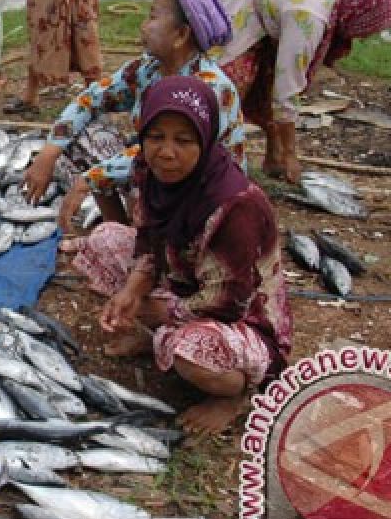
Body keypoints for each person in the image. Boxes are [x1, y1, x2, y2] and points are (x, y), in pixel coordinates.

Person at [68, 76, 292, 434]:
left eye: (183, 140)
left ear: (205, 139)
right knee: (106, 239)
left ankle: (237, 395)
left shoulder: (236, 205)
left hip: (243, 318)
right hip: (185, 283)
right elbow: (148, 240)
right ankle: (160, 338)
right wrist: (133, 289)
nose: (166, 152)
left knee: (193, 353)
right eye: (156, 137)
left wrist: (162, 310)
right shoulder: (151, 170)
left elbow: (229, 301)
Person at [23, 0, 246, 238]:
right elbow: (90, 100)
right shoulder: (146, 69)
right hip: (158, 161)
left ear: (181, 35)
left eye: (152, 16)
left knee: (113, 171)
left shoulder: (211, 88)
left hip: (202, 185)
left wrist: (90, 179)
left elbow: (173, 152)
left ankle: (152, 240)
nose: (143, 25)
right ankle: (123, 231)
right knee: (85, 137)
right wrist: (49, 153)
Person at [199, 0, 391, 184]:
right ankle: (210, 163)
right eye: (368, 28)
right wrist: (291, 156)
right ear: (359, 15)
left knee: (266, 74)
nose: (364, 36)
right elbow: (287, 88)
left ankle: (272, 155)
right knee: (225, 83)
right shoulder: (311, 16)